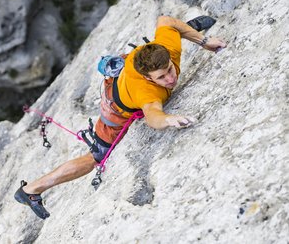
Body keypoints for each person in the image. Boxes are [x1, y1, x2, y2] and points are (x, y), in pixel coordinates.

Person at [14, 15, 227, 219]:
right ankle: (30, 190)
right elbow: (153, 115)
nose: (171, 79)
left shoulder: (166, 50)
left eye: (170, 70)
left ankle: (184, 29)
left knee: (170, 29)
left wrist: (204, 41)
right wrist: (168, 119)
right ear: (147, 77)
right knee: (94, 157)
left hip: (132, 64)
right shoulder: (147, 92)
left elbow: (165, 20)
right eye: (162, 77)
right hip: (116, 106)